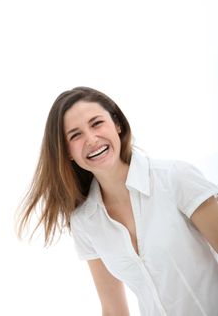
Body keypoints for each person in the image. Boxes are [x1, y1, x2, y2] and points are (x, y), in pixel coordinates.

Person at [17, 86, 218, 316]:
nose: (91, 139)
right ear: (67, 152)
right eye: (75, 135)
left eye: (96, 123)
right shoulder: (85, 222)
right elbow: (114, 309)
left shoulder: (174, 177)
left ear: (117, 124)